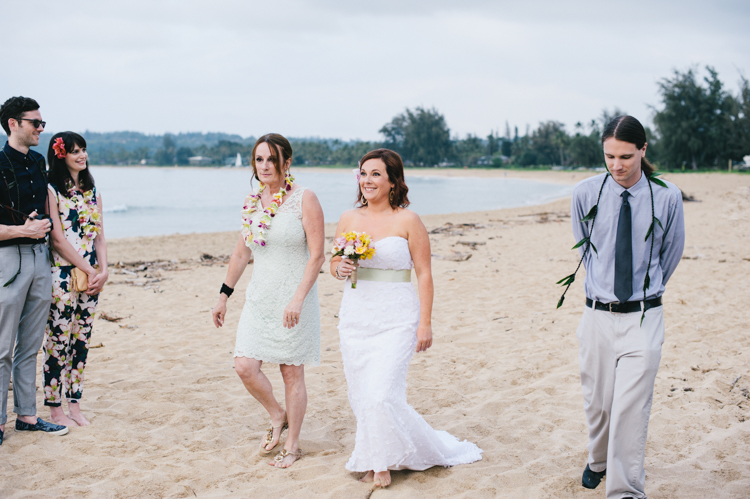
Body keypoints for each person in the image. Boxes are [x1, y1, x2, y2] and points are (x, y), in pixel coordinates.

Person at [331, 149, 482, 488]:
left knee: (382, 392)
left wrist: (424, 323)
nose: (367, 181)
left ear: (392, 181)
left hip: (397, 316)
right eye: (363, 174)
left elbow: (424, 275)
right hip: (356, 315)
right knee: (362, 392)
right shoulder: (348, 218)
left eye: (375, 175)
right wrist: (339, 267)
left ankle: (381, 463)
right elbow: (334, 264)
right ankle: (376, 456)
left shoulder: (408, 221)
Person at [567, 116, 684, 498]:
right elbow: (585, 247)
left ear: (643, 150)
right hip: (597, 315)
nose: (617, 165)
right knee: (598, 402)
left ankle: (625, 490)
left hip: (644, 316)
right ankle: (598, 460)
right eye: (609, 156)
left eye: (626, 157)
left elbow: (671, 253)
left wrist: (643, 291)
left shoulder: (667, 196)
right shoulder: (585, 193)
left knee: (630, 408)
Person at [212, 133, 324, 468]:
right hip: (259, 298)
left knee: (292, 373)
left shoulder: (305, 199)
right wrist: (223, 296)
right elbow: (241, 252)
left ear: (286, 163)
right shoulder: (252, 203)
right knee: (244, 366)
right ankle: (278, 414)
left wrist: (298, 299)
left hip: (294, 299)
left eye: (271, 159)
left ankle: (292, 446)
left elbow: (317, 256)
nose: (264, 166)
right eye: (259, 159)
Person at [0, 96, 68, 446]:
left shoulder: (40, 161)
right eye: (35, 123)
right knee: (2, 347)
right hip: (9, 260)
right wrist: (20, 231)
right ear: (14, 123)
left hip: (41, 259)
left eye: (42, 123)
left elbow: (49, 211)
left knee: (29, 345)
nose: (41, 128)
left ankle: (27, 416)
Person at [42, 131, 108, 427]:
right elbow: (57, 239)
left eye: (83, 149)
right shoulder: (51, 190)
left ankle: (75, 404)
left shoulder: (92, 191)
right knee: (58, 339)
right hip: (62, 274)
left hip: (92, 276)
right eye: (75, 151)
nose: (82, 155)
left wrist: (103, 270)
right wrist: (90, 268)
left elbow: (100, 237)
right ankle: (55, 408)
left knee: (82, 339)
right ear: (61, 155)